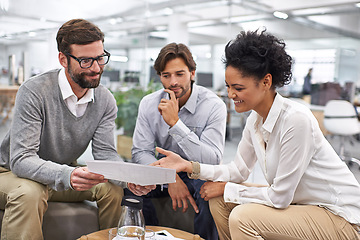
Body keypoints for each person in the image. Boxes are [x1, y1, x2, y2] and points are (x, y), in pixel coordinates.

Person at [154, 30, 360, 240]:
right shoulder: (255, 119)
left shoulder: (296, 120)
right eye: (228, 86)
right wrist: (189, 166)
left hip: (340, 216)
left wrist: (227, 188)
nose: (231, 94)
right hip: (302, 203)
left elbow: (279, 197)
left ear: (266, 82)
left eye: (238, 88)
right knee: (219, 201)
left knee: (242, 216)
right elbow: (238, 170)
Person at [0, 19, 154, 240]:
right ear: (63, 59)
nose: (95, 68)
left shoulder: (105, 99)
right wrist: (67, 174)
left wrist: (128, 178)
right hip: (11, 173)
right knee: (30, 192)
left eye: (100, 58)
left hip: (62, 171)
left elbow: (105, 154)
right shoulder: (34, 91)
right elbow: (22, 159)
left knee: (111, 189)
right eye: (85, 61)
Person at [130, 42, 227, 240]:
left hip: (197, 173)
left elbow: (213, 160)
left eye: (179, 74)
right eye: (166, 76)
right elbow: (140, 152)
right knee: (131, 188)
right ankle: (152, 236)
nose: (173, 82)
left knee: (209, 191)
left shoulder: (213, 105)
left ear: (192, 73)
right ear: (160, 77)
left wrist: (176, 124)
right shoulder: (149, 104)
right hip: (162, 171)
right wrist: (169, 177)